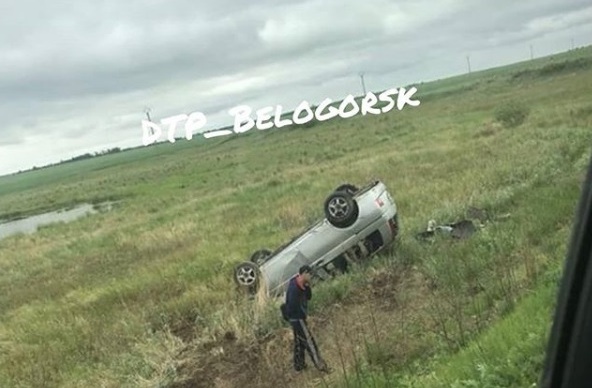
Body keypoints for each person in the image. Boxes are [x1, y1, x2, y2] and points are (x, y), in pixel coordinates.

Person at [284, 264, 329, 372]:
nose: (311, 276)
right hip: (297, 318)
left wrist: (308, 286)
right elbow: (292, 305)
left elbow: (309, 297)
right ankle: (321, 365)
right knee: (309, 342)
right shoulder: (294, 288)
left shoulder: (302, 284)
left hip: (296, 318)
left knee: (299, 342)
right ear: (304, 273)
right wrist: (303, 317)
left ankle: (299, 365)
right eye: (310, 274)